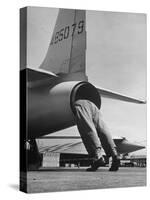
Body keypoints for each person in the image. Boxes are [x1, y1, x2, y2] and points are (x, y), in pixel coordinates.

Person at [73, 99, 120, 171]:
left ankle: (98, 158)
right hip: (92, 104)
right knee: (102, 129)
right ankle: (115, 156)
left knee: (87, 128)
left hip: (79, 104)